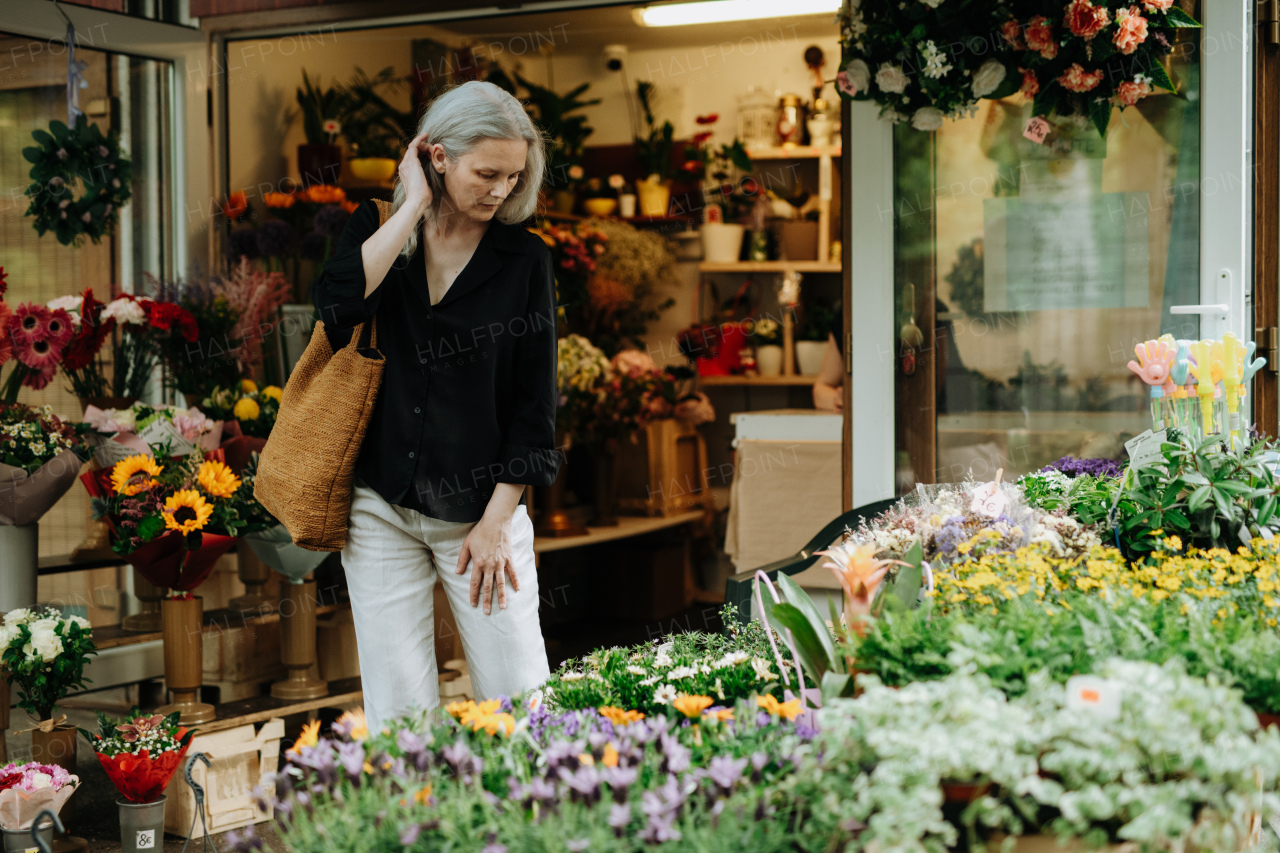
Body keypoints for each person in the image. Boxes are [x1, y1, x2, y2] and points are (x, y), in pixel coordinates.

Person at [311, 81, 558, 730]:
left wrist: (497, 522)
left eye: (513, 175)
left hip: (484, 514)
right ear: (438, 156)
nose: (502, 189)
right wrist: (412, 205)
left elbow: (536, 407)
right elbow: (337, 307)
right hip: (381, 507)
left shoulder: (524, 260)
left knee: (519, 699)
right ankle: (416, 830)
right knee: (399, 716)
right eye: (487, 172)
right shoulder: (378, 231)